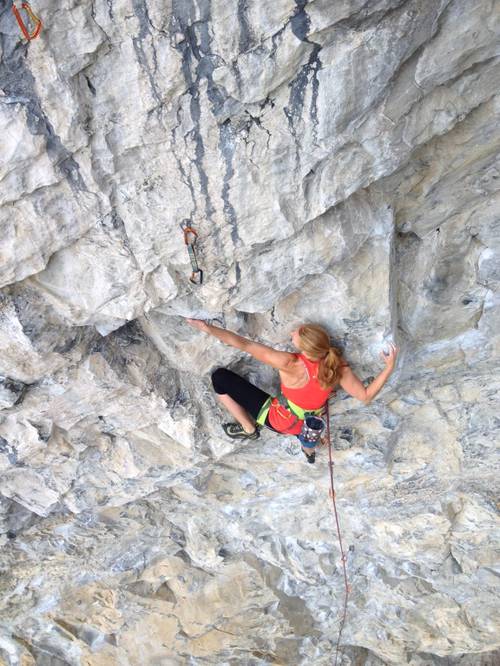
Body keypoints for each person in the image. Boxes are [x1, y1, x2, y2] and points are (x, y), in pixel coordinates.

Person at [186, 320, 398, 463]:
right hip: (309, 420)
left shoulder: (289, 362)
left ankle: (248, 429)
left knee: (220, 379)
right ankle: (309, 448)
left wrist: (208, 329)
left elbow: (244, 344)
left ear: (304, 348)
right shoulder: (337, 366)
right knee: (304, 431)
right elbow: (366, 396)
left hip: (279, 419)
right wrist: (388, 367)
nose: (291, 334)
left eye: (294, 335)